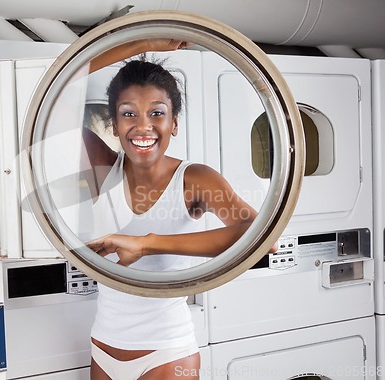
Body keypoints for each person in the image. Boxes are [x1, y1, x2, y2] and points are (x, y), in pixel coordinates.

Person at [79, 40, 276, 380]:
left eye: (157, 113)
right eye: (129, 113)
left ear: (174, 122)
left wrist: (149, 243)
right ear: (113, 124)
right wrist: (144, 43)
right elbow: (52, 88)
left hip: (166, 353)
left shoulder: (193, 179)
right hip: (104, 346)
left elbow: (265, 237)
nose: (143, 126)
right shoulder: (101, 167)